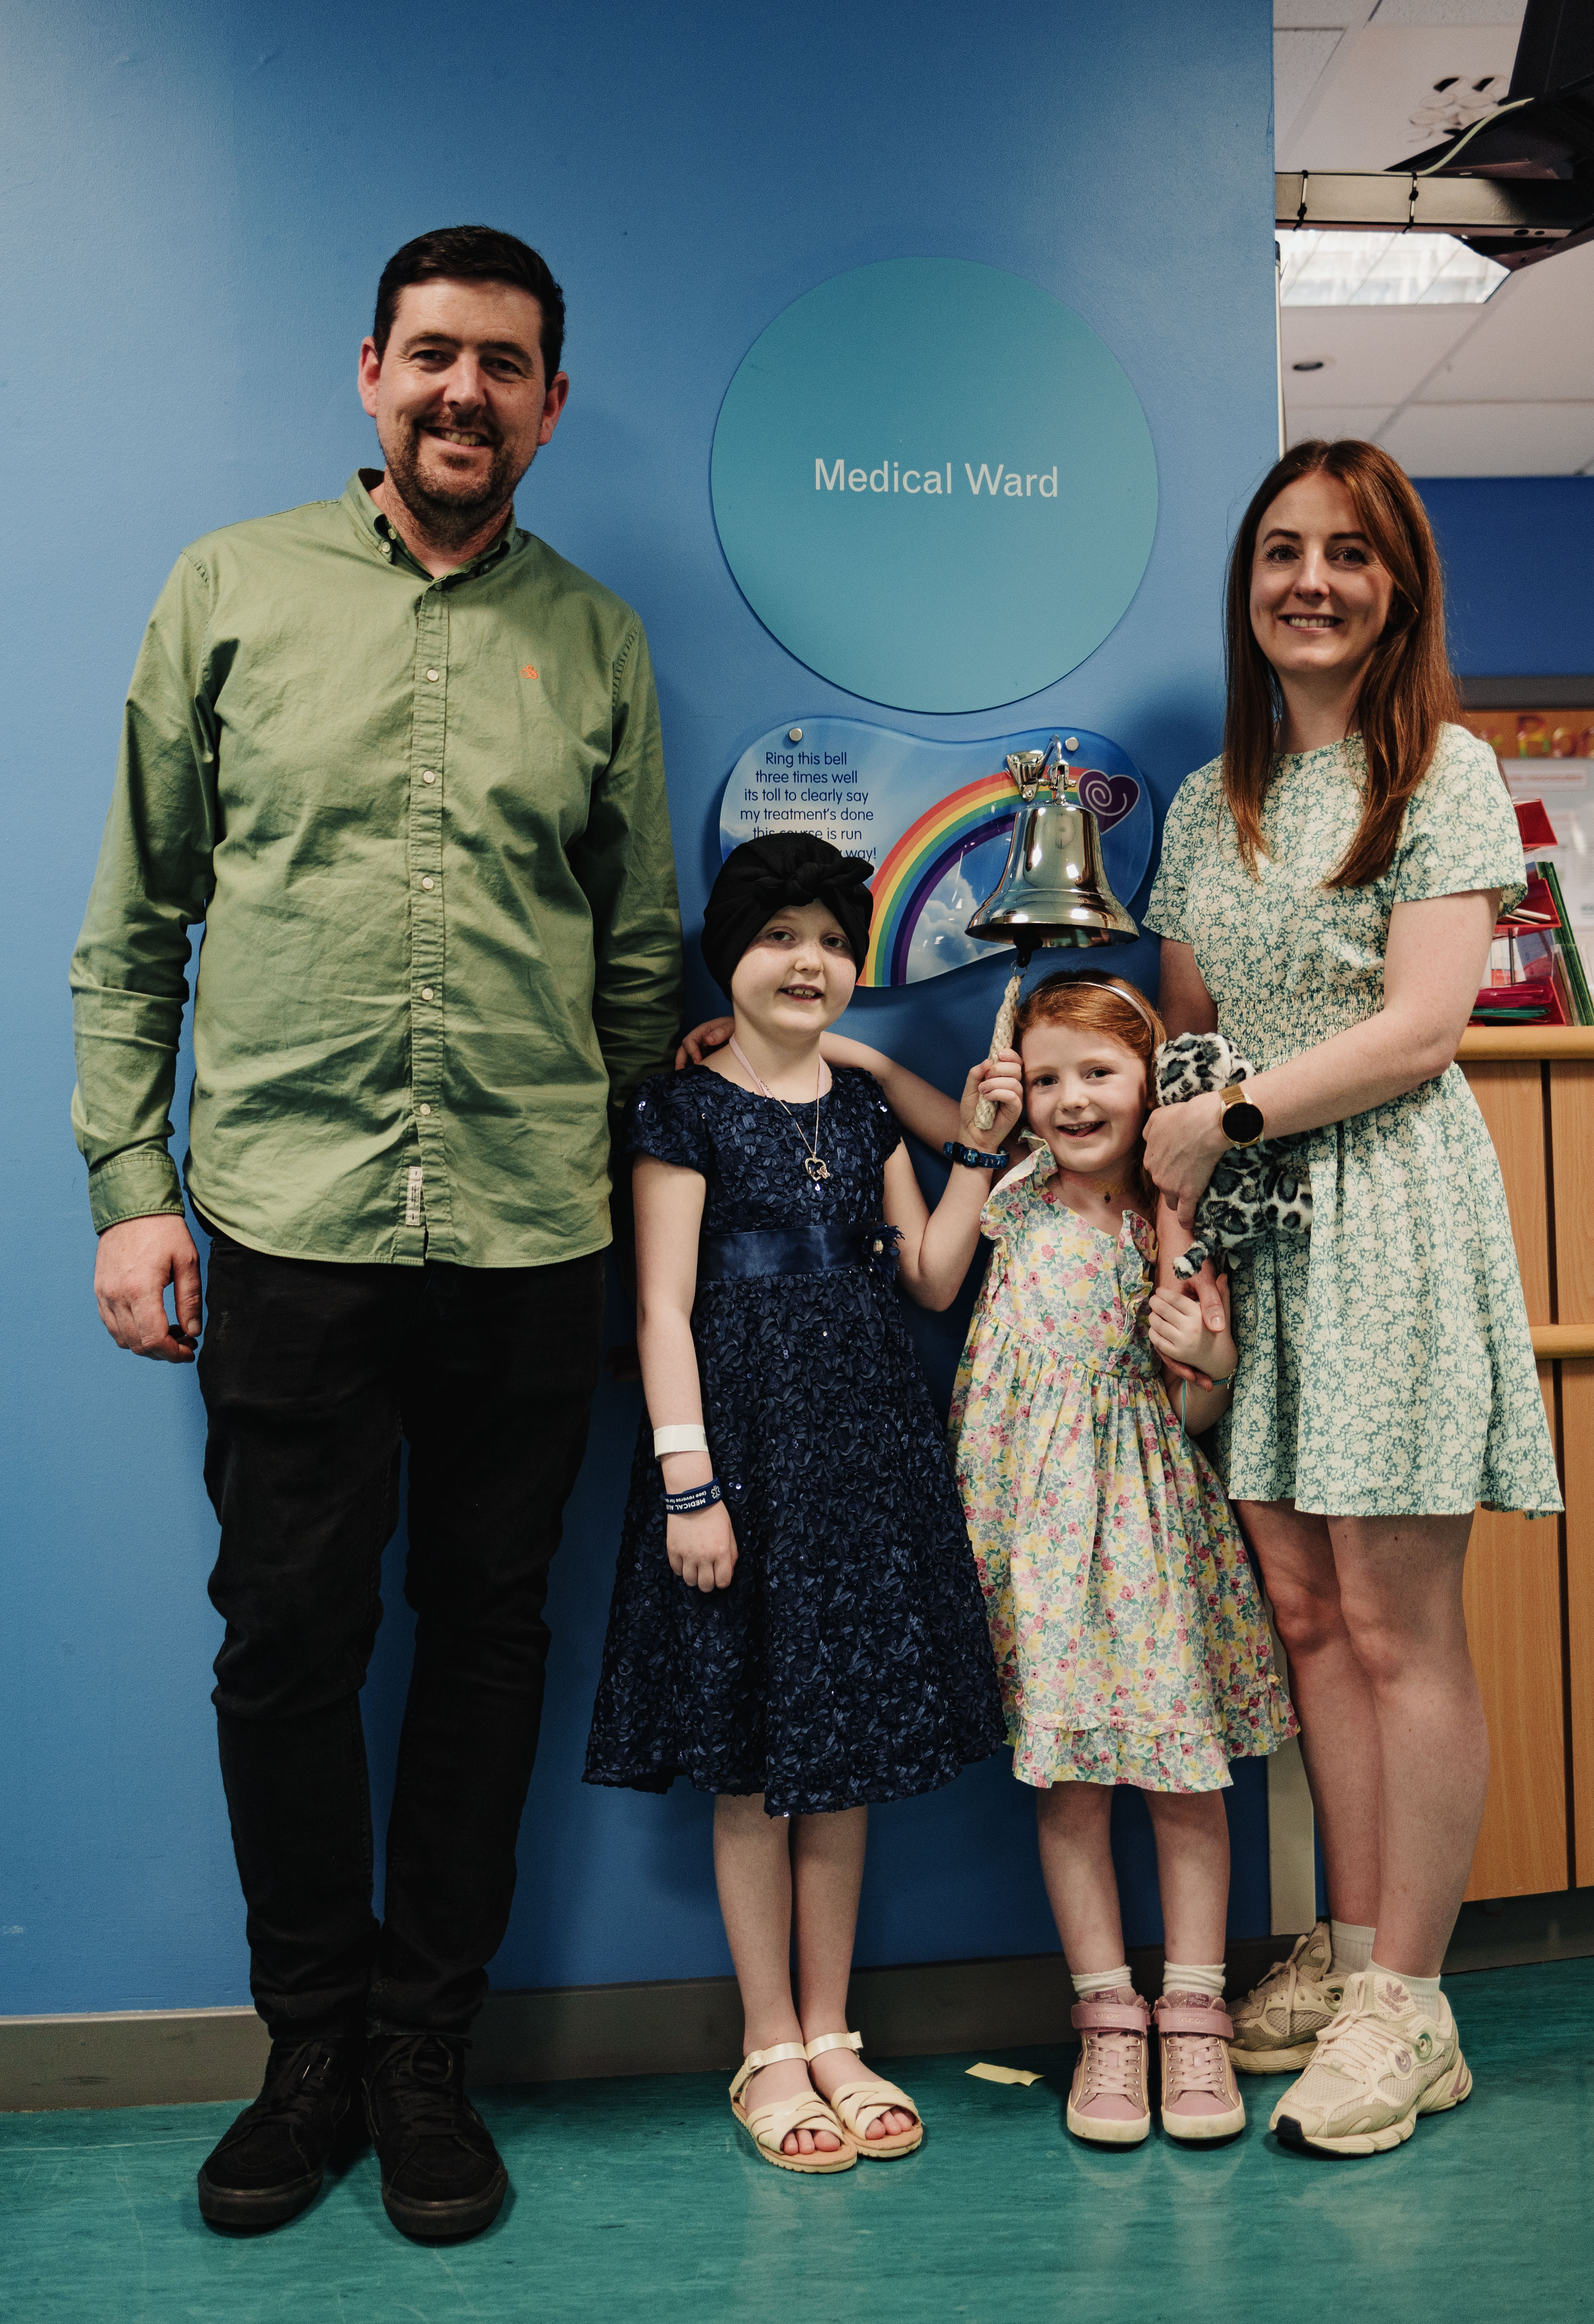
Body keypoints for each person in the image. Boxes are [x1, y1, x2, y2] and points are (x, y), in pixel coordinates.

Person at [70, 226, 682, 2241]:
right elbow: (135, 926)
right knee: (288, 1650)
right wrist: (131, 1192)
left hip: (527, 1233)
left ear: (549, 403)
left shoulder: (593, 641)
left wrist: (632, 1228)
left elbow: (641, 959)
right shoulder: (228, 592)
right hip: (291, 1222)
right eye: (433, 357)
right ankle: (307, 2050)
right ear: (369, 373)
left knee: (492, 1647)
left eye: (504, 366)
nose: (463, 396)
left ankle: (431, 2055)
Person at [1142, 439, 1561, 2157]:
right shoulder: (1198, 805)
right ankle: (1349, 1943)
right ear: (1249, 587)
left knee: (1400, 1630)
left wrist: (1223, 1120)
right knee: (1310, 1624)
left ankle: (1416, 2006)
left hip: (1388, 1217)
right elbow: (1184, 1028)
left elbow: (1423, 1027)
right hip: (1257, 1244)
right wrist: (1188, 1238)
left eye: (1350, 555)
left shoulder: (1443, 769)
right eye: (1282, 553)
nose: (1311, 580)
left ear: (1399, 588)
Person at [583, 833, 1015, 2172]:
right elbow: (659, 1307)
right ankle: (769, 2046)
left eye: (831, 939)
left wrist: (973, 1144)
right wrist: (688, 1486)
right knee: (755, 1768)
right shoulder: (684, 1110)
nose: (807, 960)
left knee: (845, 1770)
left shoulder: (868, 1111)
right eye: (780, 936)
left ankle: (836, 2032)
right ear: (733, 955)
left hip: (870, 1463)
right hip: (741, 1472)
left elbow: (938, 1279)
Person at [947, 969, 1296, 2145]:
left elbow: (1197, 1410)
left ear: (1148, 1082)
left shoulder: (1174, 1221)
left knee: (1186, 1783)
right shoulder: (1015, 1196)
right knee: (1070, 1786)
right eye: (1047, 1077)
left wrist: (1209, 1356)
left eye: (1097, 1072)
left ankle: (1193, 2019)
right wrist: (848, 1062)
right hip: (1034, 1539)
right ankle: (1107, 2022)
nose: (1069, 1098)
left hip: (1148, 1532)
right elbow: (929, 1110)